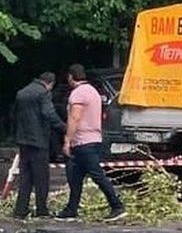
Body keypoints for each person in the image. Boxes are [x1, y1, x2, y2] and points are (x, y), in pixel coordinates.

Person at [56, 63, 127, 222]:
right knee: (75, 176)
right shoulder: (93, 91)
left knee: (97, 175)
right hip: (93, 139)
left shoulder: (78, 94)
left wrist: (67, 140)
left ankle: (117, 206)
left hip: (83, 142)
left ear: (70, 77)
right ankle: (71, 209)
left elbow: (75, 118)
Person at [12, 72, 67, 219]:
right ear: (50, 83)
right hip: (39, 141)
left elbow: (15, 115)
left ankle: (20, 209)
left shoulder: (22, 92)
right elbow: (48, 113)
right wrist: (64, 127)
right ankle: (41, 210)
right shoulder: (43, 93)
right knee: (41, 177)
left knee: (25, 176)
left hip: (23, 140)